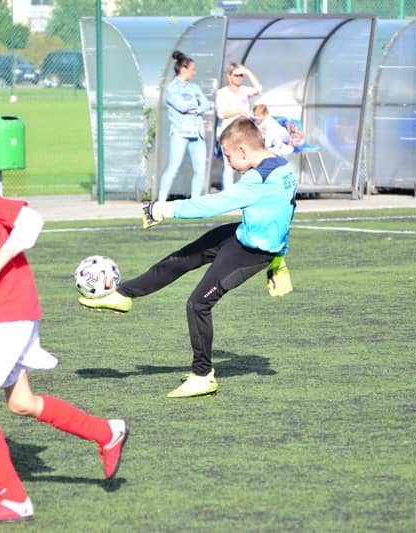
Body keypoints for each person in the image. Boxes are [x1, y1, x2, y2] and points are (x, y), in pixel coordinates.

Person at [0, 122, 128, 524]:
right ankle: (107, 432)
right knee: (21, 403)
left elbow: (31, 221)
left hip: (10, 318)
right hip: (8, 312)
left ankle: (13, 498)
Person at [79, 117, 296, 398]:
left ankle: (203, 376)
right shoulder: (283, 167)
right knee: (184, 258)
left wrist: (164, 209)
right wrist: (281, 257)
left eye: (228, 156)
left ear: (243, 150)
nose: (228, 162)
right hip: (243, 234)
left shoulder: (257, 181)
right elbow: (285, 215)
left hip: (252, 252)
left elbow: (212, 204)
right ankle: (122, 295)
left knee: (198, 305)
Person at [156, 50, 213, 201]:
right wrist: (196, 103)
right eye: (192, 69)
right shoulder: (172, 88)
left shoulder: (195, 87)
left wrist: (197, 109)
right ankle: (160, 201)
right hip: (180, 133)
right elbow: (181, 106)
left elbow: (206, 104)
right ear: (183, 69)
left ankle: (195, 201)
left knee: (200, 169)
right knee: (173, 167)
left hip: (197, 133)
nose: (195, 72)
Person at [215, 63, 262, 191]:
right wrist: (238, 111)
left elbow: (258, 88)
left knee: (248, 164)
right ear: (229, 76)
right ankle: (228, 194)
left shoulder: (244, 90)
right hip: (229, 133)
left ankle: (245, 192)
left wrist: (248, 71)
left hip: (244, 132)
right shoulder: (222, 93)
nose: (239, 78)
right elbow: (221, 113)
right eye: (236, 75)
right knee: (229, 166)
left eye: (241, 75)